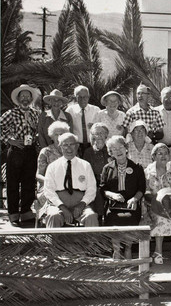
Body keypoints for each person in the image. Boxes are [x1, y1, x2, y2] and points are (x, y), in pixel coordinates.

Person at [0, 84, 40, 225]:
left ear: (31, 98)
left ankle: (26, 212)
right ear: (18, 99)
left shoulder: (36, 113)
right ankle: (13, 215)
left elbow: (39, 130)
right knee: (13, 183)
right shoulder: (11, 113)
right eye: (22, 96)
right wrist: (10, 141)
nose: (25, 99)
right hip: (16, 151)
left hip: (30, 151)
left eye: (27, 96)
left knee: (29, 182)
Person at [100, 135, 146, 259]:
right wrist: (113, 195)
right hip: (113, 206)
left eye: (120, 147)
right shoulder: (107, 168)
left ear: (126, 148)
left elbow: (142, 189)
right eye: (114, 149)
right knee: (112, 219)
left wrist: (135, 199)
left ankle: (128, 249)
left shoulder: (137, 167)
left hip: (132, 205)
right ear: (110, 152)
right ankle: (116, 251)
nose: (118, 151)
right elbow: (103, 189)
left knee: (130, 218)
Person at [42, 133, 99, 228]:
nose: (69, 148)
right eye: (65, 145)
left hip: (80, 204)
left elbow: (91, 189)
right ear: (60, 147)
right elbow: (49, 191)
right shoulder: (52, 167)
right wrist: (62, 207)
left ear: (77, 146)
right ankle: (55, 243)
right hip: (58, 204)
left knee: (91, 216)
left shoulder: (85, 165)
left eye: (72, 144)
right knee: (53, 215)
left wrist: (82, 204)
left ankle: (92, 243)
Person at [34, 121, 71, 221]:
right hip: (49, 186)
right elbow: (38, 175)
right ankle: (55, 218)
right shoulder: (45, 151)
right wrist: (50, 182)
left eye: (62, 134)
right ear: (51, 136)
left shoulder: (71, 151)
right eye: (56, 134)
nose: (59, 136)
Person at [83, 123, 111, 220]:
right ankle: (99, 218)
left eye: (101, 133)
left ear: (106, 135)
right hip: (95, 181)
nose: (98, 136)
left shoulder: (111, 149)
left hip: (111, 181)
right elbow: (86, 171)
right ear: (92, 136)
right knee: (97, 191)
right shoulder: (88, 152)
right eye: (96, 133)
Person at [66, 85, 101, 157]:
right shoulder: (70, 110)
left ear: (88, 97)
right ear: (76, 97)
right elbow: (67, 129)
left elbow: (101, 128)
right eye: (80, 97)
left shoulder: (96, 110)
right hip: (77, 145)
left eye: (85, 97)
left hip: (92, 144)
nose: (82, 100)